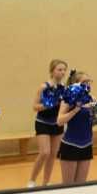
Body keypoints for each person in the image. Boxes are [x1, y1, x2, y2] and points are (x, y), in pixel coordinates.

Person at [28, 59, 68, 187]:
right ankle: (32, 180)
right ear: (52, 71)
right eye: (59, 69)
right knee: (45, 152)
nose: (62, 72)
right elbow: (35, 106)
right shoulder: (44, 87)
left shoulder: (64, 88)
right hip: (43, 122)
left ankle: (46, 182)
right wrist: (49, 104)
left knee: (53, 154)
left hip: (57, 123)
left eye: (64, 70)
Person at [57, 70, 97, 184]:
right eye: (84, 82)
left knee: (81, 186)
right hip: (71, 145)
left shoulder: (92, 99)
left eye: (89, 81)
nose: (87, 84)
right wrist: (76, 109)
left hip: (87, 145)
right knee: (69, 186)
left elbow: (92, 122)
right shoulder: (68, 99)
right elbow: (59, 121)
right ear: (76, 84)